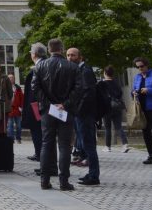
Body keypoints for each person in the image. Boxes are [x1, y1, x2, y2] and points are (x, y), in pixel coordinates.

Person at [31, 38, 80, 191]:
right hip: (65, 110)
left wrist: (48, 103)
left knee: (46, 143)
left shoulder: (40, 66)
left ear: (48, 49)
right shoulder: (72, 67)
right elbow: (79, 89)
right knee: (65, 146)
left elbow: (35, 88)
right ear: (62, 49)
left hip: (47, 110)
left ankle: (44, 180)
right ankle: (64, 181)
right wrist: (64, 104)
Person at [68, 47, 101, 186]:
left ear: (80, 57)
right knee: (86, 145)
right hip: (80, 113)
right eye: (68, 55)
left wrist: (79, 110)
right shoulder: (78, 71)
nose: (70, 58)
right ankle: (91, 173)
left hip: (85, 114)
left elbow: (88, 93)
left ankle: (94, 175)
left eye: (73, 55)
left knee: (89, 145)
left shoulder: (85, 71)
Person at [23, 43, 48, 164]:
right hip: (43, 105)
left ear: (34, 54)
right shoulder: (46, 65)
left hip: (36, 106)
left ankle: (40, 155)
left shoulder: (38, 68)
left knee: (37, 131)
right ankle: (39, 154)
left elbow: (34, 91)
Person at [99, 65, 129, 152]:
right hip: (117, 107)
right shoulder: (117, 83)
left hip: (106, 107)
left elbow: (100, 96)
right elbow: (120, 94)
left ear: (105, 73)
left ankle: (108, 147)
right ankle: (125, 144)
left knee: (107, 127)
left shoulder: (102, 83)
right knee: (119, 127)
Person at [7, 73, 24, 144]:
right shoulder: (5, 87)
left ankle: (18, 138)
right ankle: (11, 139)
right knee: (10, 126)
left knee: (19, 126)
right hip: (9, 109)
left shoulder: (18, 87)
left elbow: (22, 98)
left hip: (17, 109)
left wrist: (21, 107)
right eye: (10, 78)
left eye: (12, 78)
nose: (11, 79)